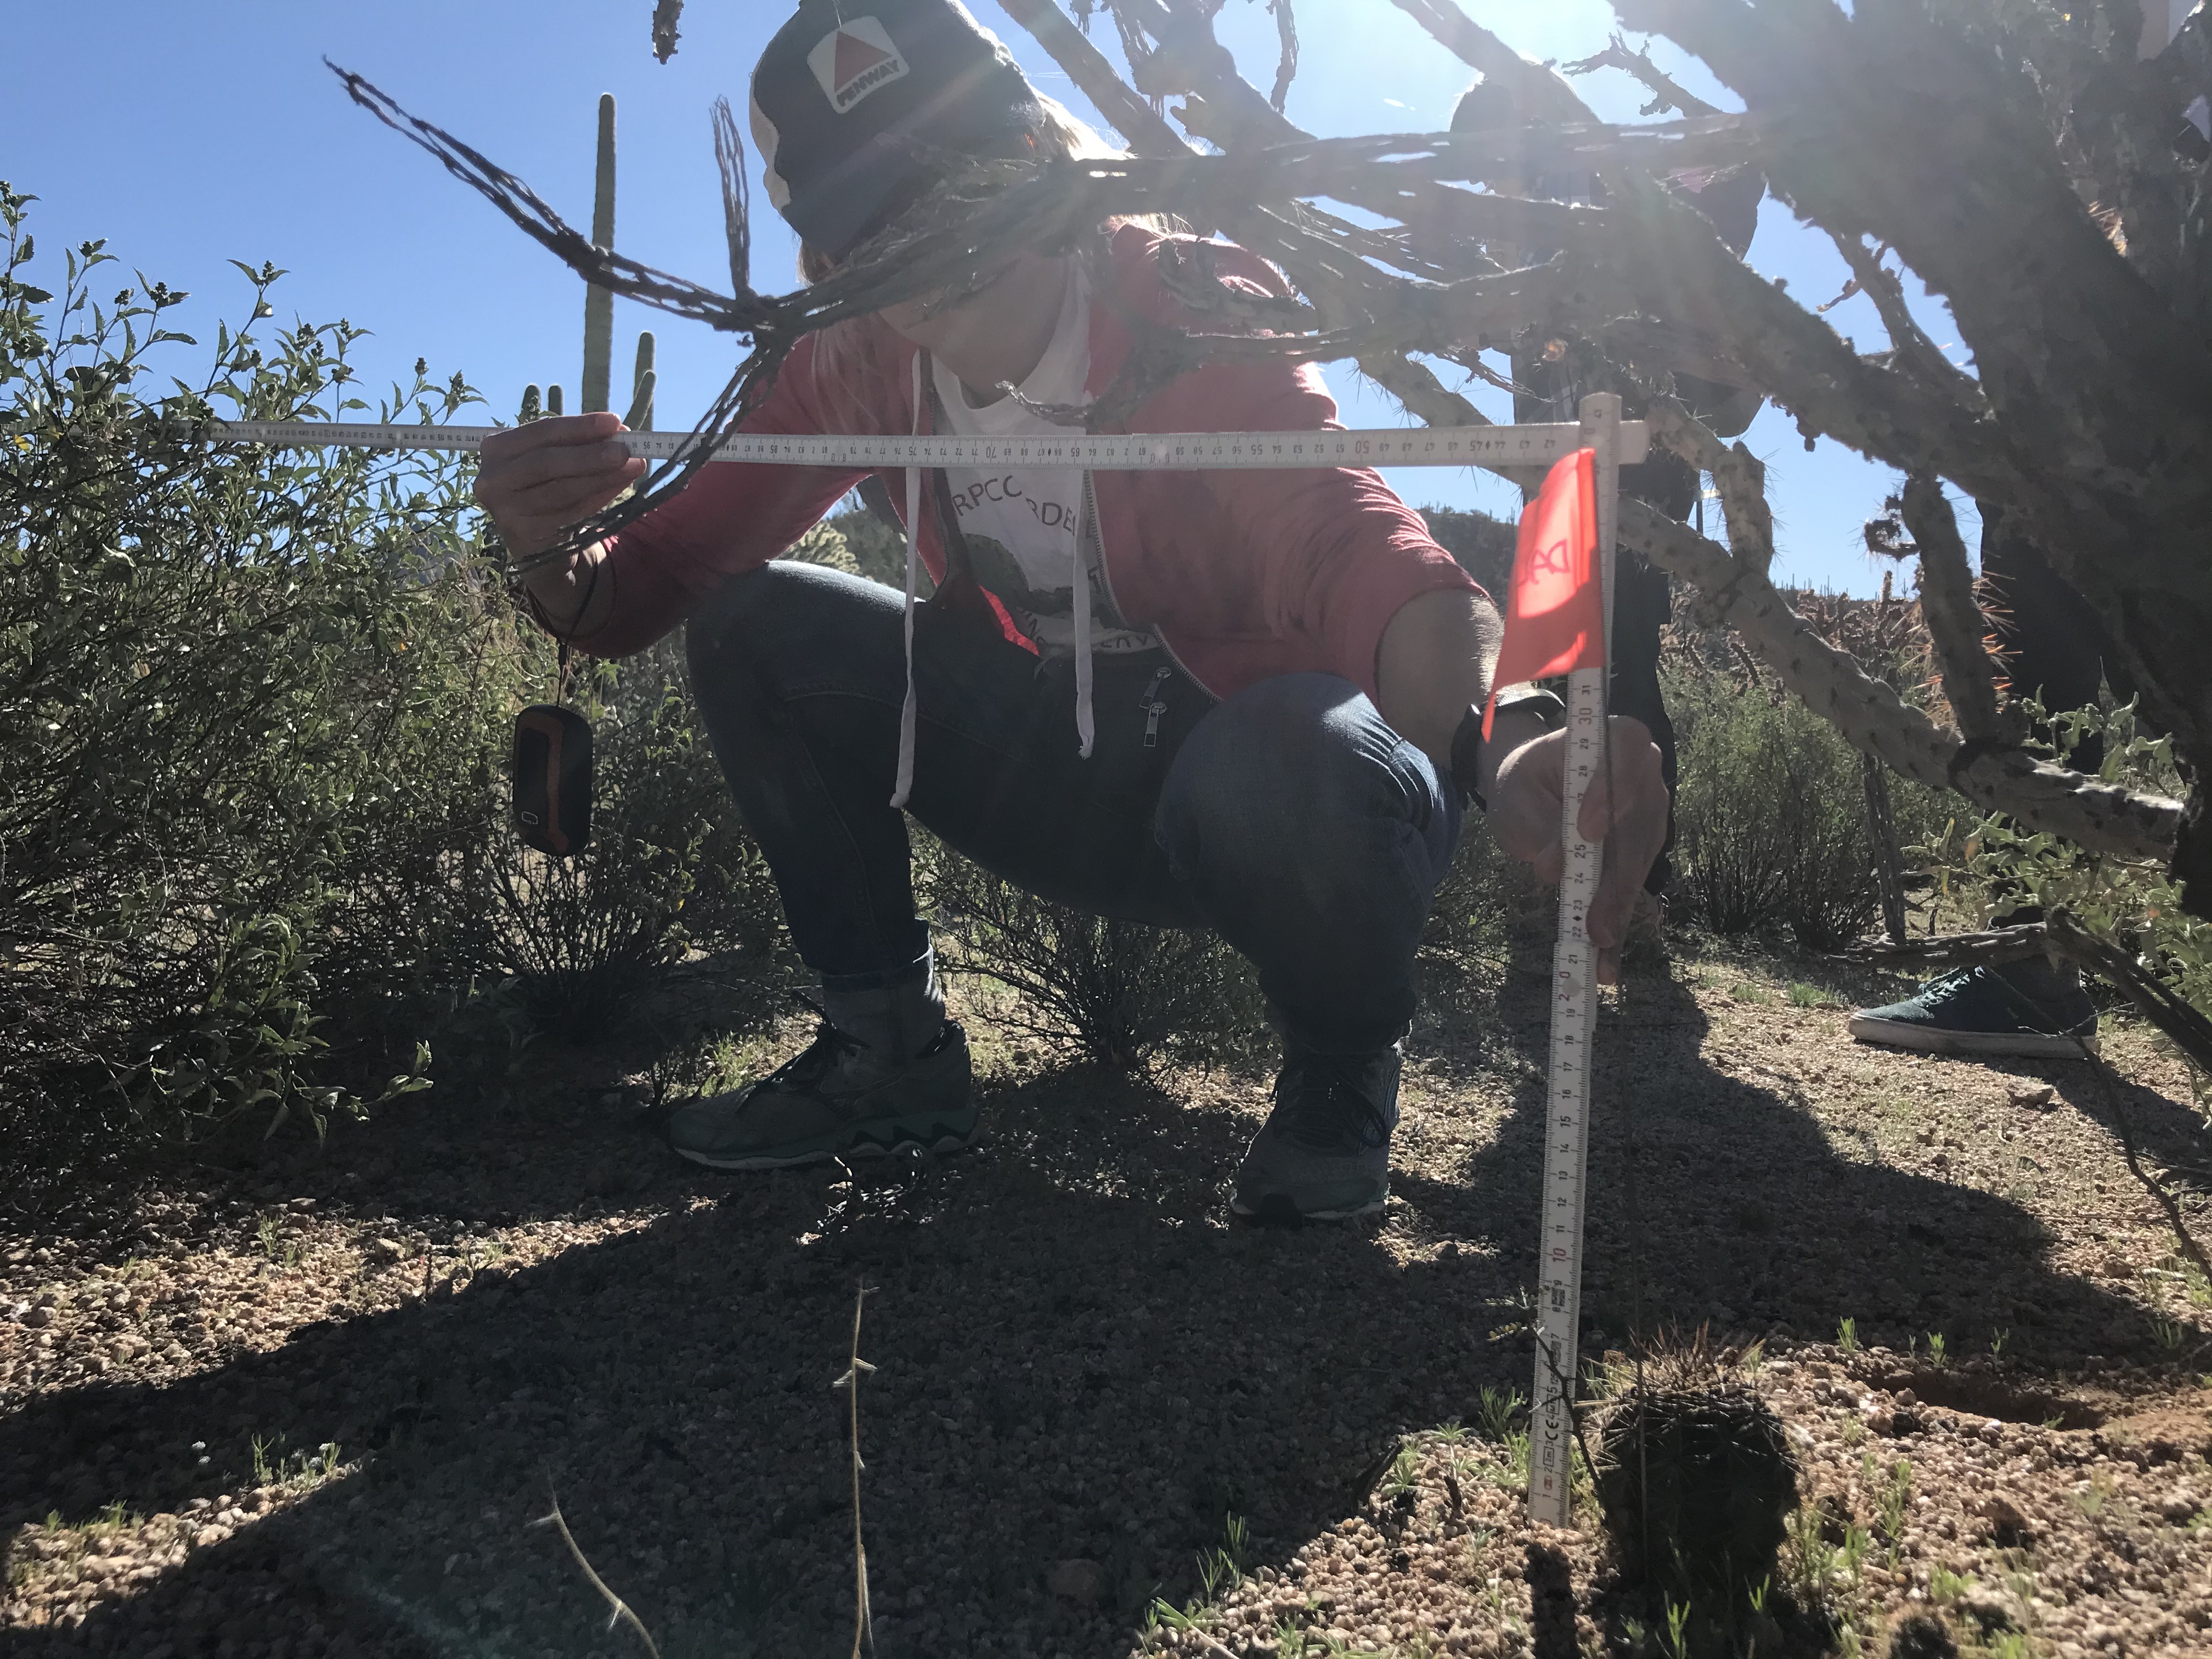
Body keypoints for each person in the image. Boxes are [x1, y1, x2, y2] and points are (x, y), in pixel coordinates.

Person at [473, 0, 1670, 1221]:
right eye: (872, 218)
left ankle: (1340, 1065)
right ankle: (888, 1049)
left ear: (1044, 152)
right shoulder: (853, 365)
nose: (930, 240)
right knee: (754, 625)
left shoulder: (1183, 300)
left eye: (965, 178)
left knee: (1292, 754)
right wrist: (545, 547)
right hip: (1059, 772)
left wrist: (1509, 725)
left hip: (1276, 790)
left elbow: (1344, 536)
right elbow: (640, 587)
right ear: (830, 265)